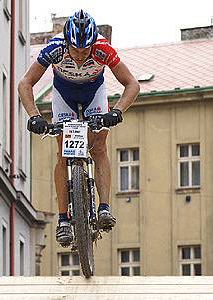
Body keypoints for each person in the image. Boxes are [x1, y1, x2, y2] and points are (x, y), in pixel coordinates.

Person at [18, 9, 140, 245]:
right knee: (63, 153)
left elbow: (132, 84)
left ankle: (104, 207)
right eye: (76, 50)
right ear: (68, 43)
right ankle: (64, 220)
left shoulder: (103, 49)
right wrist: (34, 116)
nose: (81, 55)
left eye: (85, 50)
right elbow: (25, 83)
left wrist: (116, 112)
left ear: (93, 43)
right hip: (63, 95)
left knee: (99, 147)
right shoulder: (55, 48)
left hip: (94, 93)